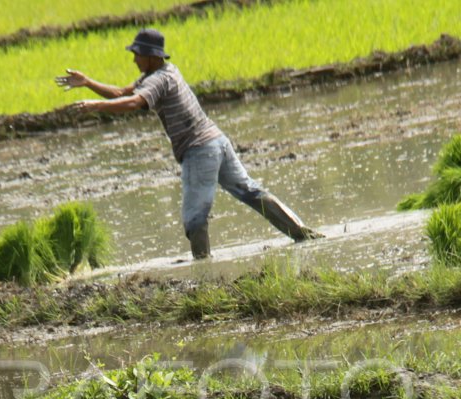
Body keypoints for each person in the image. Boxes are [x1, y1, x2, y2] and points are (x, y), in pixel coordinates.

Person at [56, 28, 322, 260]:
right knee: (251, 192)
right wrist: (88, 83)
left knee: (195, 217)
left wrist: (95, 106)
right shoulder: (162, 73)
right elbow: (122, 93)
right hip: (217, 141)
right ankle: (303, 234)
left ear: (151, 56)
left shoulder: (159, 79)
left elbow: (134, 103)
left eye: (137, 54)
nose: (134, 59)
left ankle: (203, 269)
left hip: (200, 150)